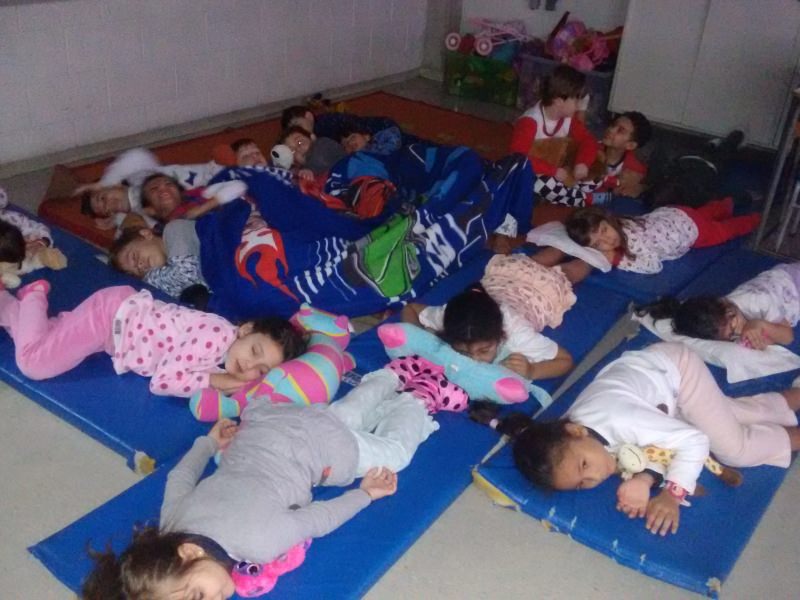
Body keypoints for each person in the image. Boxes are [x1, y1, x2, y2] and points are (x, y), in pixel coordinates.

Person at [82, 369, 438, 598]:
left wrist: (365, 494)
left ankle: (415, 402)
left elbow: (319, 519)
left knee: (393, 455)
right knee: (346, 414)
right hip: (268, 424)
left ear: (189, 554)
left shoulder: (260, 544)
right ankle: (387, 377)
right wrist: (208, 442)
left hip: (325, 450)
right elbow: (180, 476)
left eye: (197, 596)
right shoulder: (172, 523)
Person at [473, 342, 800, 536]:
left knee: (733, 449)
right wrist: (644, 480)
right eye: (583, 483)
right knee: (724, 415)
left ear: (575, 430)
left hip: (677, 371)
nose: (596, 476)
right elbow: (649, 450)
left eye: (585, 466)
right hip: (651, 385)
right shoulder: (579, 437)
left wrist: (671, 494)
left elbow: (693, 441)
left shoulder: (618, 419)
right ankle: (791, 398)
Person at [0, 279, 306, 397]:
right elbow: (162, 381)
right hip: (110, 317)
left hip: (115, 326)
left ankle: (7, 304)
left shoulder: (226, 355)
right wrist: (216, 382)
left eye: (261, 369)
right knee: (33, 363)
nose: (250, 366)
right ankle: (34, 296)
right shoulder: (215, 336)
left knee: (41, 337)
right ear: (245, 330)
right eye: (255, 351)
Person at [401, 278, 573, 381]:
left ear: (499, 337)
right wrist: (422, 342)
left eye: (484, 351)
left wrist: (532, 371)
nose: (475, 360)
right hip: (499, 286)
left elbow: (565, 360)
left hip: (538, 295)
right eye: (464, 352)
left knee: (565, 273)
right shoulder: (447, 318)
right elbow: (410, 309)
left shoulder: (516, 334)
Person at [564, 202, 761, 274]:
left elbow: (653, 266)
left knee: (723, 231)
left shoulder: (633, 241)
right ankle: (727, 205)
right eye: (598, 244)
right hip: (673, 212)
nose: (607, 241)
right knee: (704, 213)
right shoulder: (621, 222)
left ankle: (755, 219)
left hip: (692, 230)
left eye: (604, 231)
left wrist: (617, 259)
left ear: (607, 220)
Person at [638, 262, 800, 349]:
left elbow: (787, 337)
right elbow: (768, 339)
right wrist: (760, 339)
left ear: (727, 307)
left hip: (793, 280)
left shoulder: (758, 301)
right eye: (731, 335)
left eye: (733, 326)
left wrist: (758, 324)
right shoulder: (722, 319)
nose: (739, 331)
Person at [529, 111, 653, 209]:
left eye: (620, 130)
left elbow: (636, 189)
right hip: (572, 191)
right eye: (613, 125)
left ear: (630, 145)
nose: (611, 130)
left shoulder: (634, 169)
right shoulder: (590, 149)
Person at [509, 65, 598, 182]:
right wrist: (552, 170)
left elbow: (588, 140)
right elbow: (518, 157)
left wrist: (583, 163)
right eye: (576, 100)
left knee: (593, 175)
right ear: (559, 101)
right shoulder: (529, 122)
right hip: (527, 177)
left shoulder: (568, 119)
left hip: (553, 171)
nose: (579, 106)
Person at [138, 173, 247, 222]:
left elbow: (239, 186)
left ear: (180, 193)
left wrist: (202, 209)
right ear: (150, 210)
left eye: (169, 184)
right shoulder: (160, 233)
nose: (163, 189)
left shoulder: (201, 195)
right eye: (154, 188)